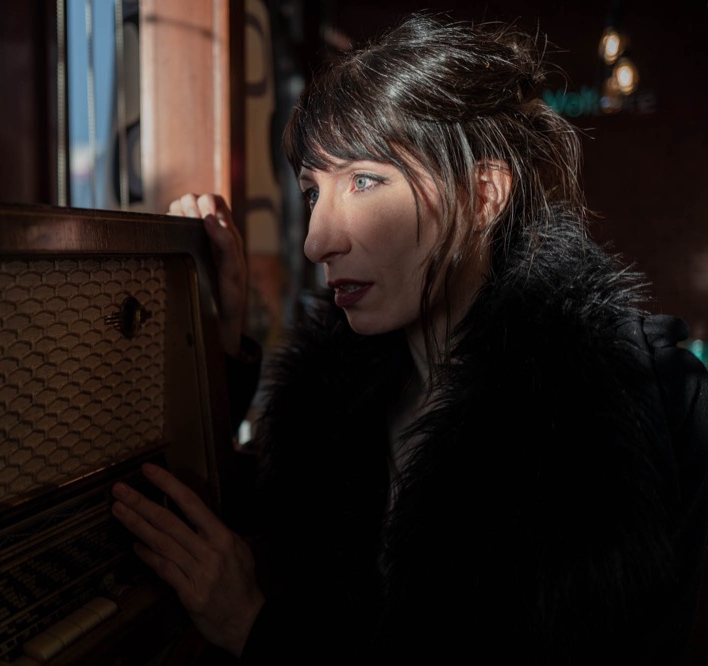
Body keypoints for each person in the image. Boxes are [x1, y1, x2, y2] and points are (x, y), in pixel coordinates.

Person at [111, 13, 708, 664]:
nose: (317, 240)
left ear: (483, 197)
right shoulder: (325, 414)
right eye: (313, 192)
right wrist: (216, 337)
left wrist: (259, 632)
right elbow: (223, 519)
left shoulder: (651, 403)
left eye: (364, 181)